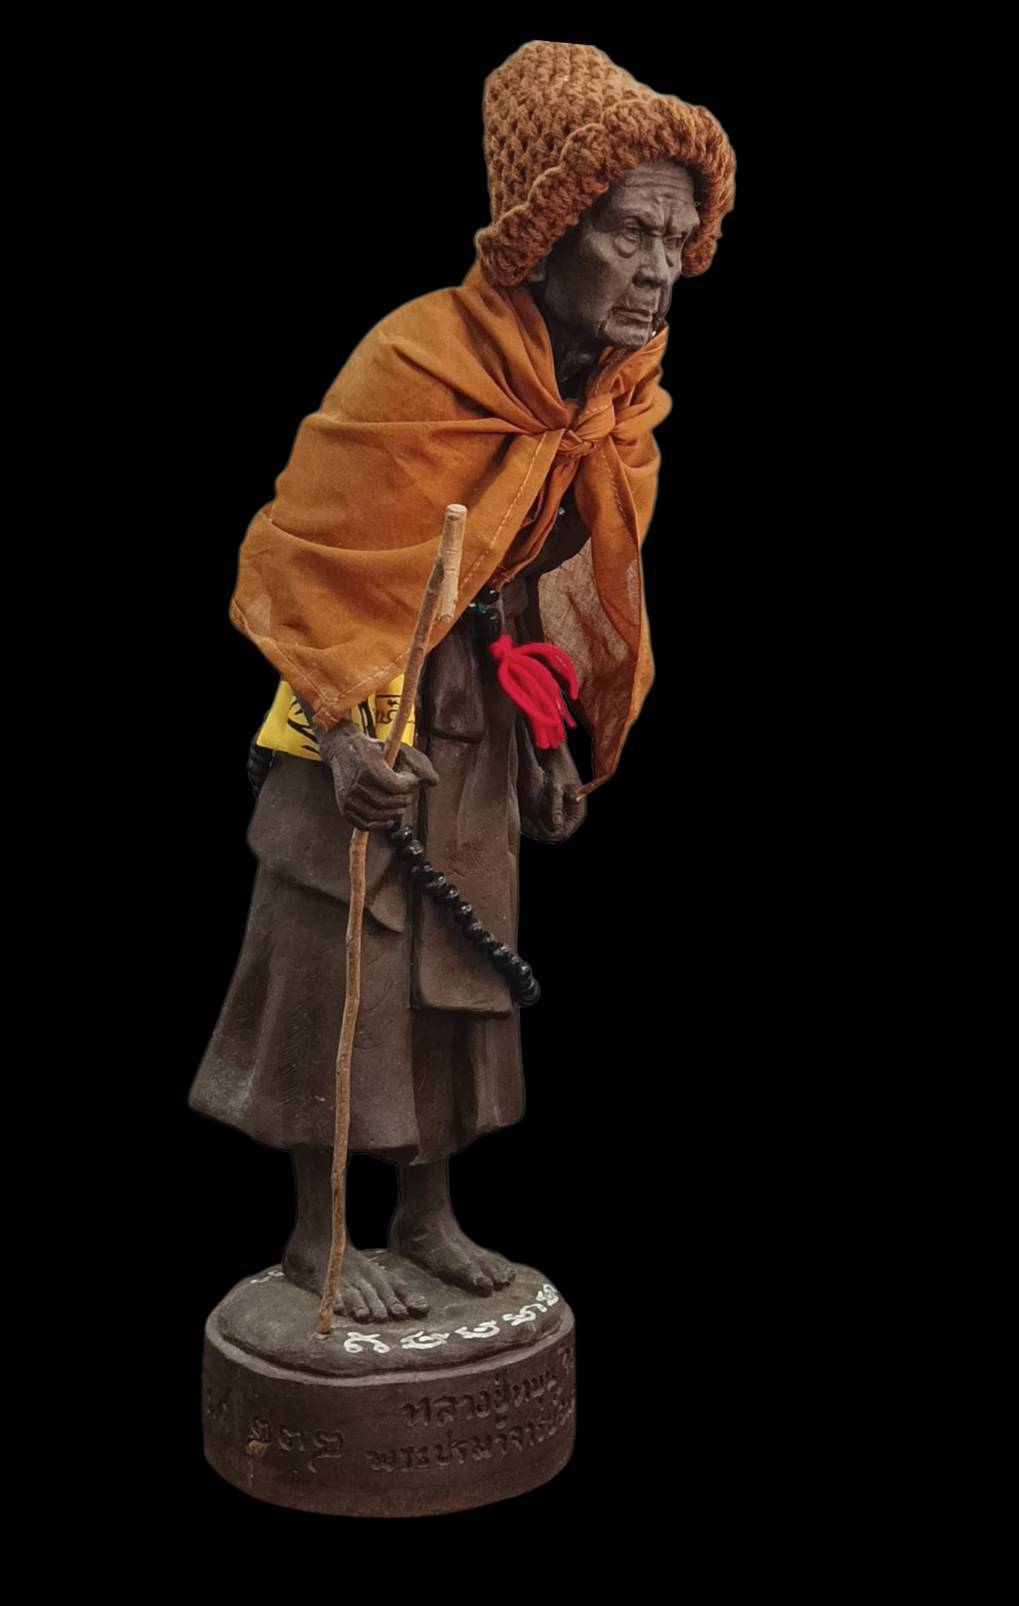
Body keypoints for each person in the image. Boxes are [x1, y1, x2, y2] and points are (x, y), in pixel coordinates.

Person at [188, 40, 735, 1323]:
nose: (659, 268)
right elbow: (304, 561)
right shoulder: (419, 359)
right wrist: (339, 738)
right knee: (341, 958)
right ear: (548, 226)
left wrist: (548, 737)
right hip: (361, 703)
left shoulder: (605, 399)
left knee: (455, 971)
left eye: (677, 238)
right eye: (630, 231)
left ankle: (426, 1215)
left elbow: (526, 592)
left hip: (476, 721)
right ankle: (317, 1237)